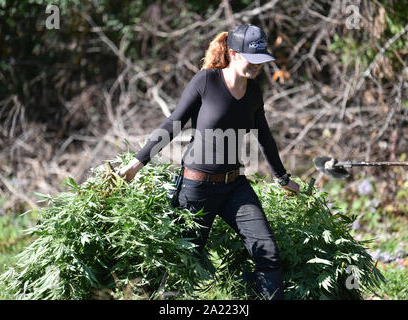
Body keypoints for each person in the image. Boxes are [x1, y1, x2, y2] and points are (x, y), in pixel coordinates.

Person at [118, 24, 300, 300]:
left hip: (234, 187)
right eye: (254, 59)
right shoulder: (206, 82)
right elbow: (172, 124)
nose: (258, 67)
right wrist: (137, 162)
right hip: (196, 187)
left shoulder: (253, 92)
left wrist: (283, 179)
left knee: (268, 253)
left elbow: (264, 137)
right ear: (234, 53)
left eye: (262, 60)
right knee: (182, 267)